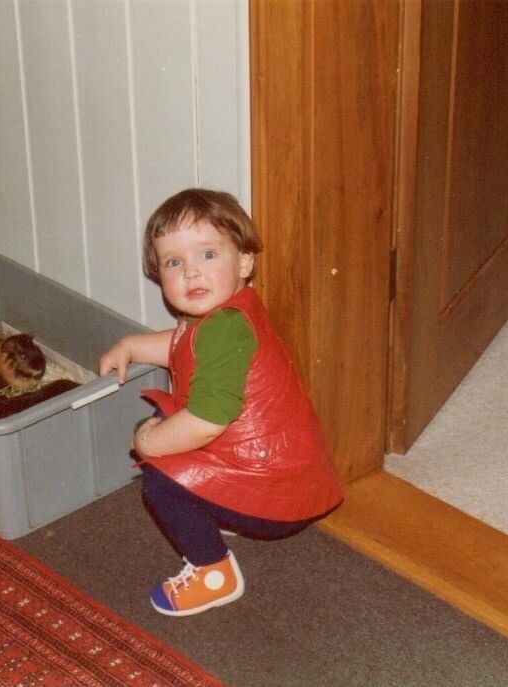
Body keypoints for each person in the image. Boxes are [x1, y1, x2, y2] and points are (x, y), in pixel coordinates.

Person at [98, 188, 343, 617]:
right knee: (169, 417)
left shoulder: (223, 329)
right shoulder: (227, 313)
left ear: (245, 262)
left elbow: (208, 420)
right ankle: (224, 508)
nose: (191, 273)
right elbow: (179, 346)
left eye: (208, 255)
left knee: (160, 478)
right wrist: (132, 346)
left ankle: (213, 572)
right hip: (288, 476)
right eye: (175, 263)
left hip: (277, 495)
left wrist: (149, 445)